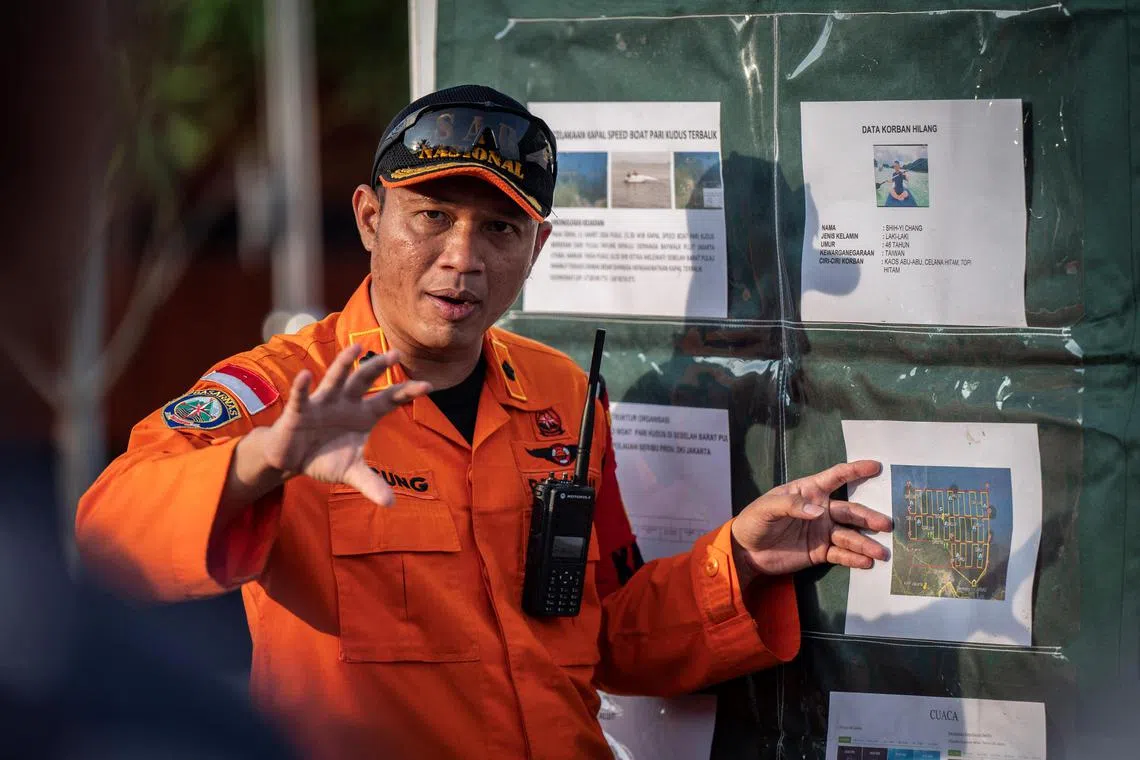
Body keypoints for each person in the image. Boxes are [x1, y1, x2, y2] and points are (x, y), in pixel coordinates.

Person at [76, 84, 892, 759]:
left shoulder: (564, 394)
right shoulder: (283, 391)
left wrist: (739, 560)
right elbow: (104, 534)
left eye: (498, 228)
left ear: (536, 249)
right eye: (432, 216)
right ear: (370, 220)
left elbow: (603, 635)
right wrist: (263, 461)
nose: (463, 257)